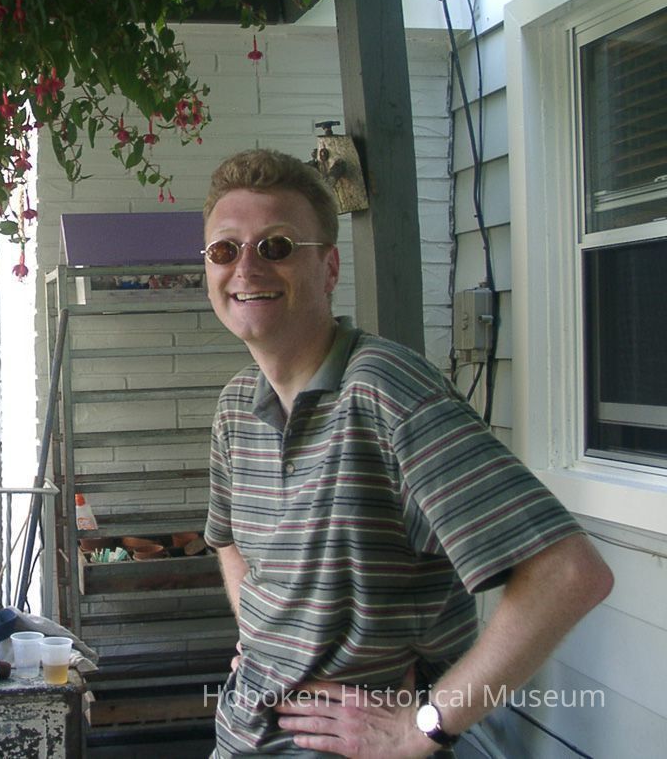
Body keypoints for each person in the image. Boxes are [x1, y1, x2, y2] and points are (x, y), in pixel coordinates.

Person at [201, 149, 613, 757]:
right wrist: (263, 634)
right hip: (239, 737)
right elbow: (228, 538)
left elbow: (569, 573)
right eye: (224, 250)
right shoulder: (238, 407)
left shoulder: (386, 391)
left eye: (278, 246)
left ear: (330, 268)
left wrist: (422, 726)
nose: (247, 267)